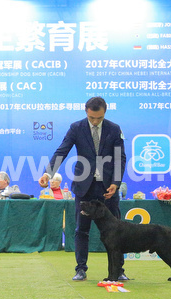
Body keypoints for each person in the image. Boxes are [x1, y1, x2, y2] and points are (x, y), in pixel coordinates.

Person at [39, 96, 126, 281]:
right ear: (86, 111)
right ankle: (80, 269)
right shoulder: (76, 128)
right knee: (81, 230)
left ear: (105, 112)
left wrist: (116, 183)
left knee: (116, 232)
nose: (95, 122)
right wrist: (48, 173)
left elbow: (120, 158)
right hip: (84, 188)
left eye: (99, 118)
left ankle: (118, 270)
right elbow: (62, 151)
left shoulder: (114, 129)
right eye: (92, 117)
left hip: (108, 189)